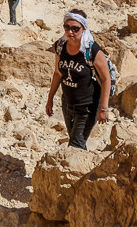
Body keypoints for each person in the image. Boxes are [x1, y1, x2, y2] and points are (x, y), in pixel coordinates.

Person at [45, 10, 112, 150]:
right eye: (67, 27)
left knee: (75, 145)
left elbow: (106, 79)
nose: (70, 32)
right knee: (76, 143)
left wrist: (104, 108)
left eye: (75, 28)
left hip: (87, 106)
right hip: (68, 104)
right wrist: (50, 99)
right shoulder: (60, 46)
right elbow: (58, 73)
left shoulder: (91, 50)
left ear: (84, 28)